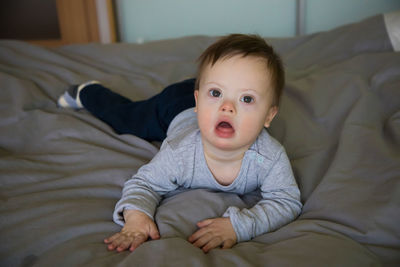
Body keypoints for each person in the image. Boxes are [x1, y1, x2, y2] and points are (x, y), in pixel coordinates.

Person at [58, 34, 302, 253]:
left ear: (269, 115)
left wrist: (239, 226)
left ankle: (206, 84)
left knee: (212, 88)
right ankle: (88, 92)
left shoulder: (266, 158)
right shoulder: (181, 153)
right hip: (174, 107)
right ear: (199, 101)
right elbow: (144, 184)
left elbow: (286, 201)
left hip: (197, 95)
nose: (228, 106)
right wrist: (136, 216)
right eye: (216, 94)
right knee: (128, 119)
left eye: (246, 98)